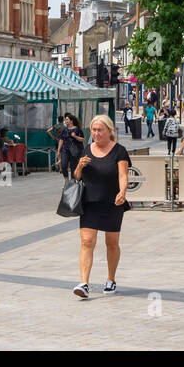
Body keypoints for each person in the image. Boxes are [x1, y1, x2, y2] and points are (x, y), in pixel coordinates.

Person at [71, 115, 130, 298]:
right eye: (94, 130)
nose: (96, 133)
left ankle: (110, 279)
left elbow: (123, 175)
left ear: (109, 131)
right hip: (89, 202)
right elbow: (76, 177)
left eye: (100, 130)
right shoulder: (87, 150)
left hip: (112, 203)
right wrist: (80, 166)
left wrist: (123, 192)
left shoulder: (119, 151)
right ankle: (84, 283)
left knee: (111, 243)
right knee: (87, 241)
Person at [58, 113, 84, 179]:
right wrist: (58, 151)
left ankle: (72, 181)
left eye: (67, 119)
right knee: (63, 165)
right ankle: (66, 181)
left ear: (71, 121)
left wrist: (75, 136)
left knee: (73, 166)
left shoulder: (77, 129)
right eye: (65, 120)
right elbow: (61, 140)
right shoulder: (64, 130)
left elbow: (82, 139)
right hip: (65, 150)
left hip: (74, 151)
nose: (65, 121)